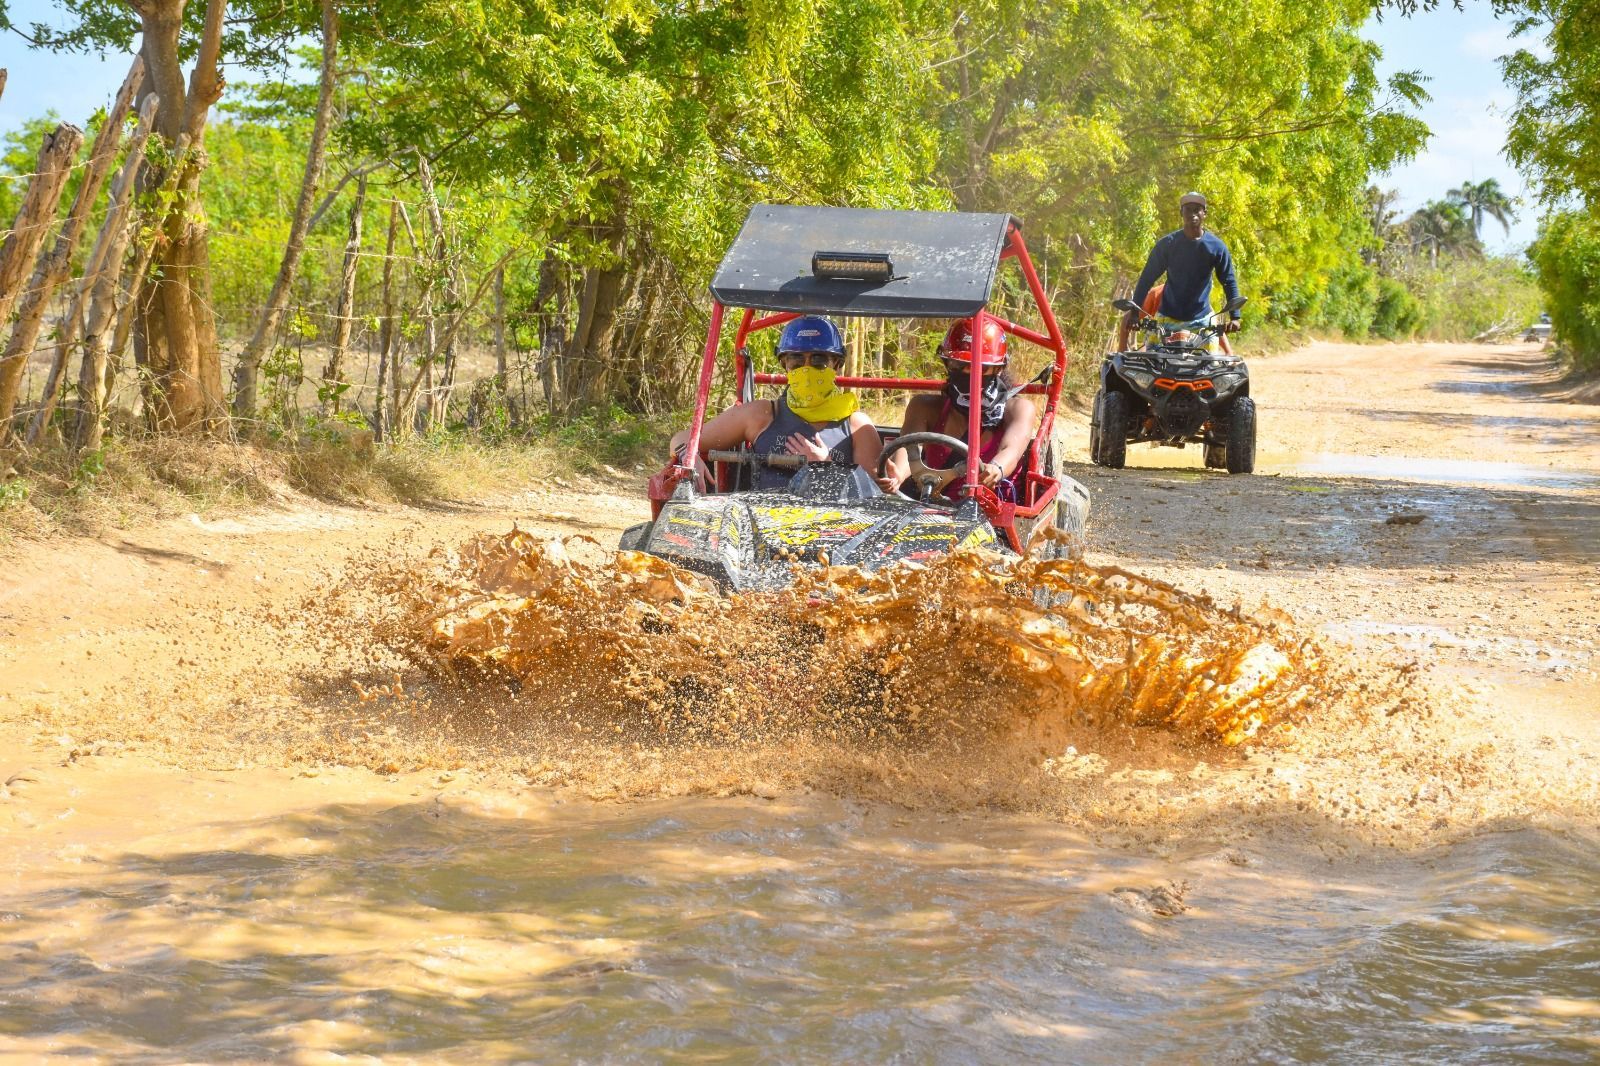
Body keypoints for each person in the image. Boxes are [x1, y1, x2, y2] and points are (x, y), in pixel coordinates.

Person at [666, 314, 883, 491]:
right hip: (763, 528)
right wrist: (689, 455)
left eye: (818, 360)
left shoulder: (856, 426)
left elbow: (873, 495)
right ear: (785, 364)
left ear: (836, 364)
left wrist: (826, 467)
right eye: (796, 361)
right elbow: (682, 438)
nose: (806, 368)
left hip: (832, 530)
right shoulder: (761, 414)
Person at [878, 318, 1036, 502]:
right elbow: (908, 451)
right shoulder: (924, 407)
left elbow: (1012, 449)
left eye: (981, 368)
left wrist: (996, 468)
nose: (969, 373)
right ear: (947, 364)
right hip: (935, 509)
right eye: (959, 366)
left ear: (998, 369)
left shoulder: (1018, 409)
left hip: (993, 517)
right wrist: (898, 474)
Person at [1123, 191, 1243, 349]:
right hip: (1166, 321)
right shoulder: (1168, 244)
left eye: (1197, 209)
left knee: (1213, 367)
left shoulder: (1216, 247)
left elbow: (1229, 282)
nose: (1192, 214)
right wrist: (1134, 313)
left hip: (1202, 322)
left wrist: (1235, 317)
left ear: (1204, 213)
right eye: (1188, 209)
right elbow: (1146, 279)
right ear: (1181, 212)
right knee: (1152, 366)